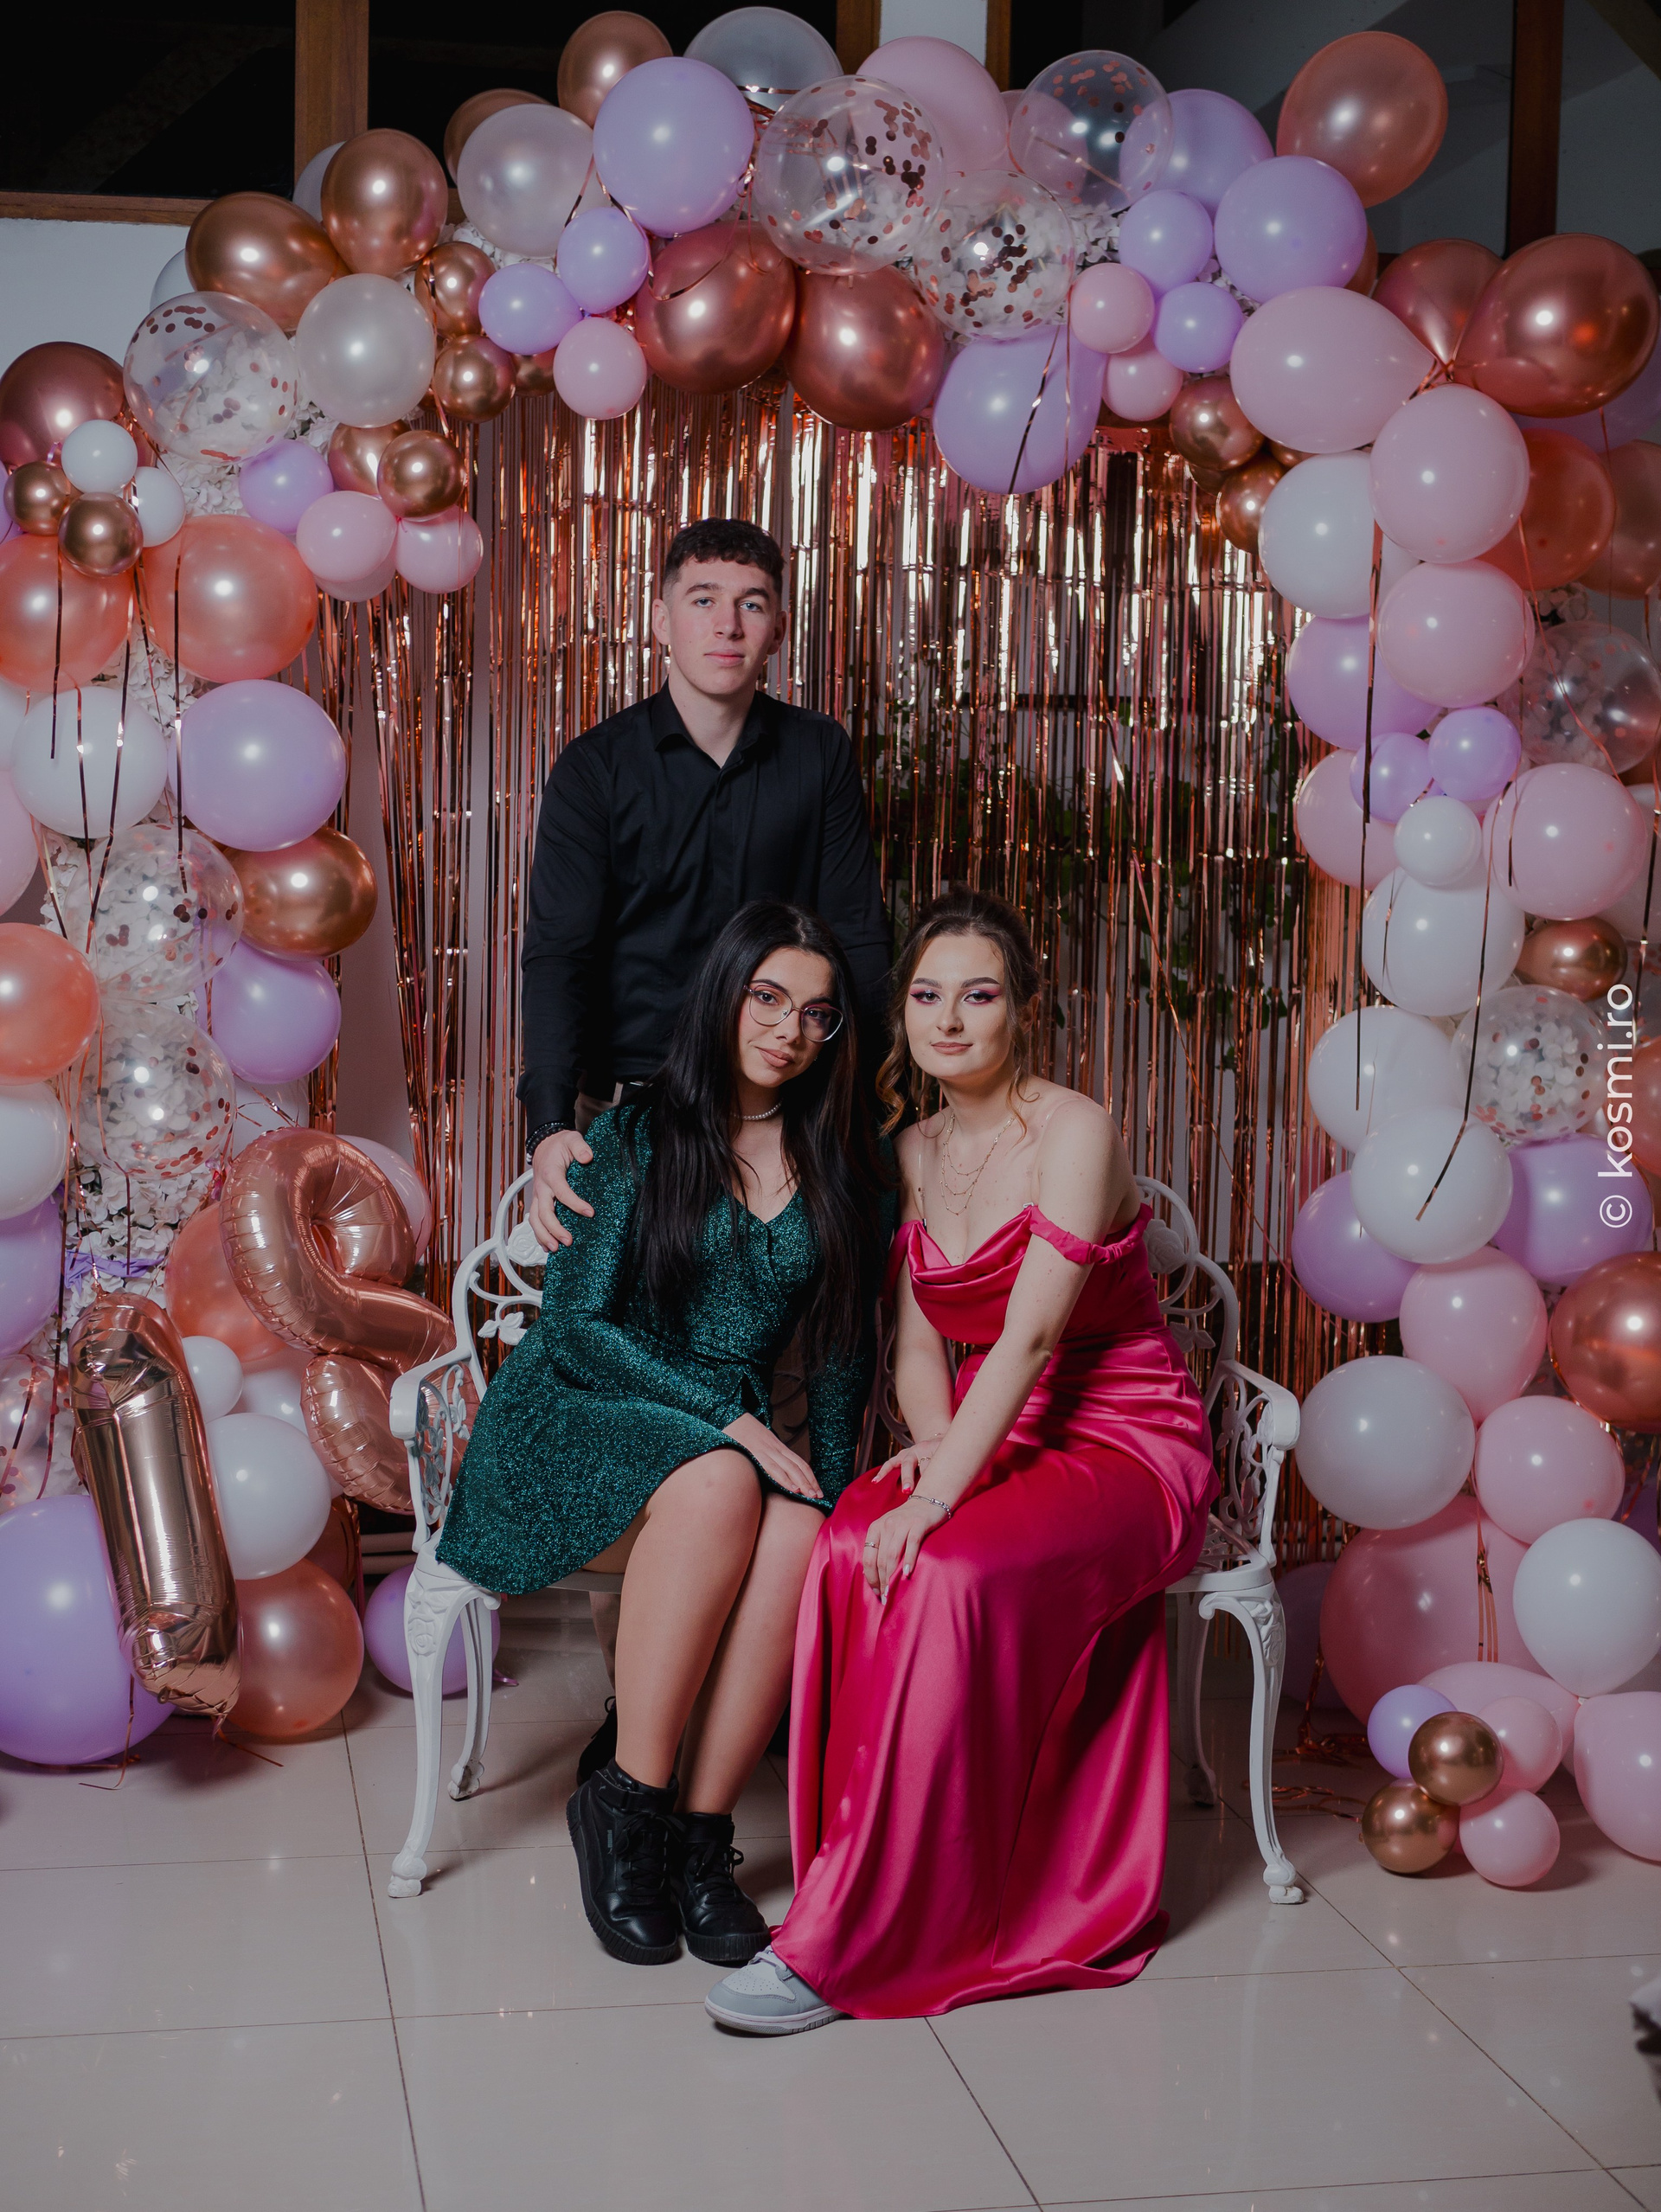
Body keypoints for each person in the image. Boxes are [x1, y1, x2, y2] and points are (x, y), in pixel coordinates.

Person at [705, 888, 1218, 2033]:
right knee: (849, 1541)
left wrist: (940, 1496)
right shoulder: (912, 1147)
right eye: (927, 995)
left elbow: (1031, 1336)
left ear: (1022, 1008)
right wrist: (932, 1453)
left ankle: (849, 1943)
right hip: (998, 1422)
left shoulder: (1076, 1130)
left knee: (940, 1567)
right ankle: (860, 1876)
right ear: (902, 1014)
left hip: (1125, 1436)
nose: (947, 1019)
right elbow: (917, 1340)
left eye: (977, 995)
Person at [409, 903, 888, 1967]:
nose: (789, 1029)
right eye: (768, 997)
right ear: (724, 995)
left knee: (801, 1524)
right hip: (577, 1409)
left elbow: (843, 1360)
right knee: (723, 1480)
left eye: (815, 1013)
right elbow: (577, 1328)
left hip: (719, 1443)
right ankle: (627, 1803)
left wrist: (835, 1496)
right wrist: (728, 1420)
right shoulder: (631, 1138)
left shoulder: (841, 1169)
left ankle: (699, 1839)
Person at [517, 516, 888, 1765]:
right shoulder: (599, 767)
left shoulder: (817, 756)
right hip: (644, 1115)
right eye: (703, 597)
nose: (727, 623)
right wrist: (551, 1127)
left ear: (778, 625)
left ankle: (728, 1690)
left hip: (786, 1104)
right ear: (661, 616)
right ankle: (644, 1723)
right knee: (664, 1399)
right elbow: (559, 954)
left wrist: (860, 1106)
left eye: (753, 602)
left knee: (781, 1371)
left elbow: (856, 938)